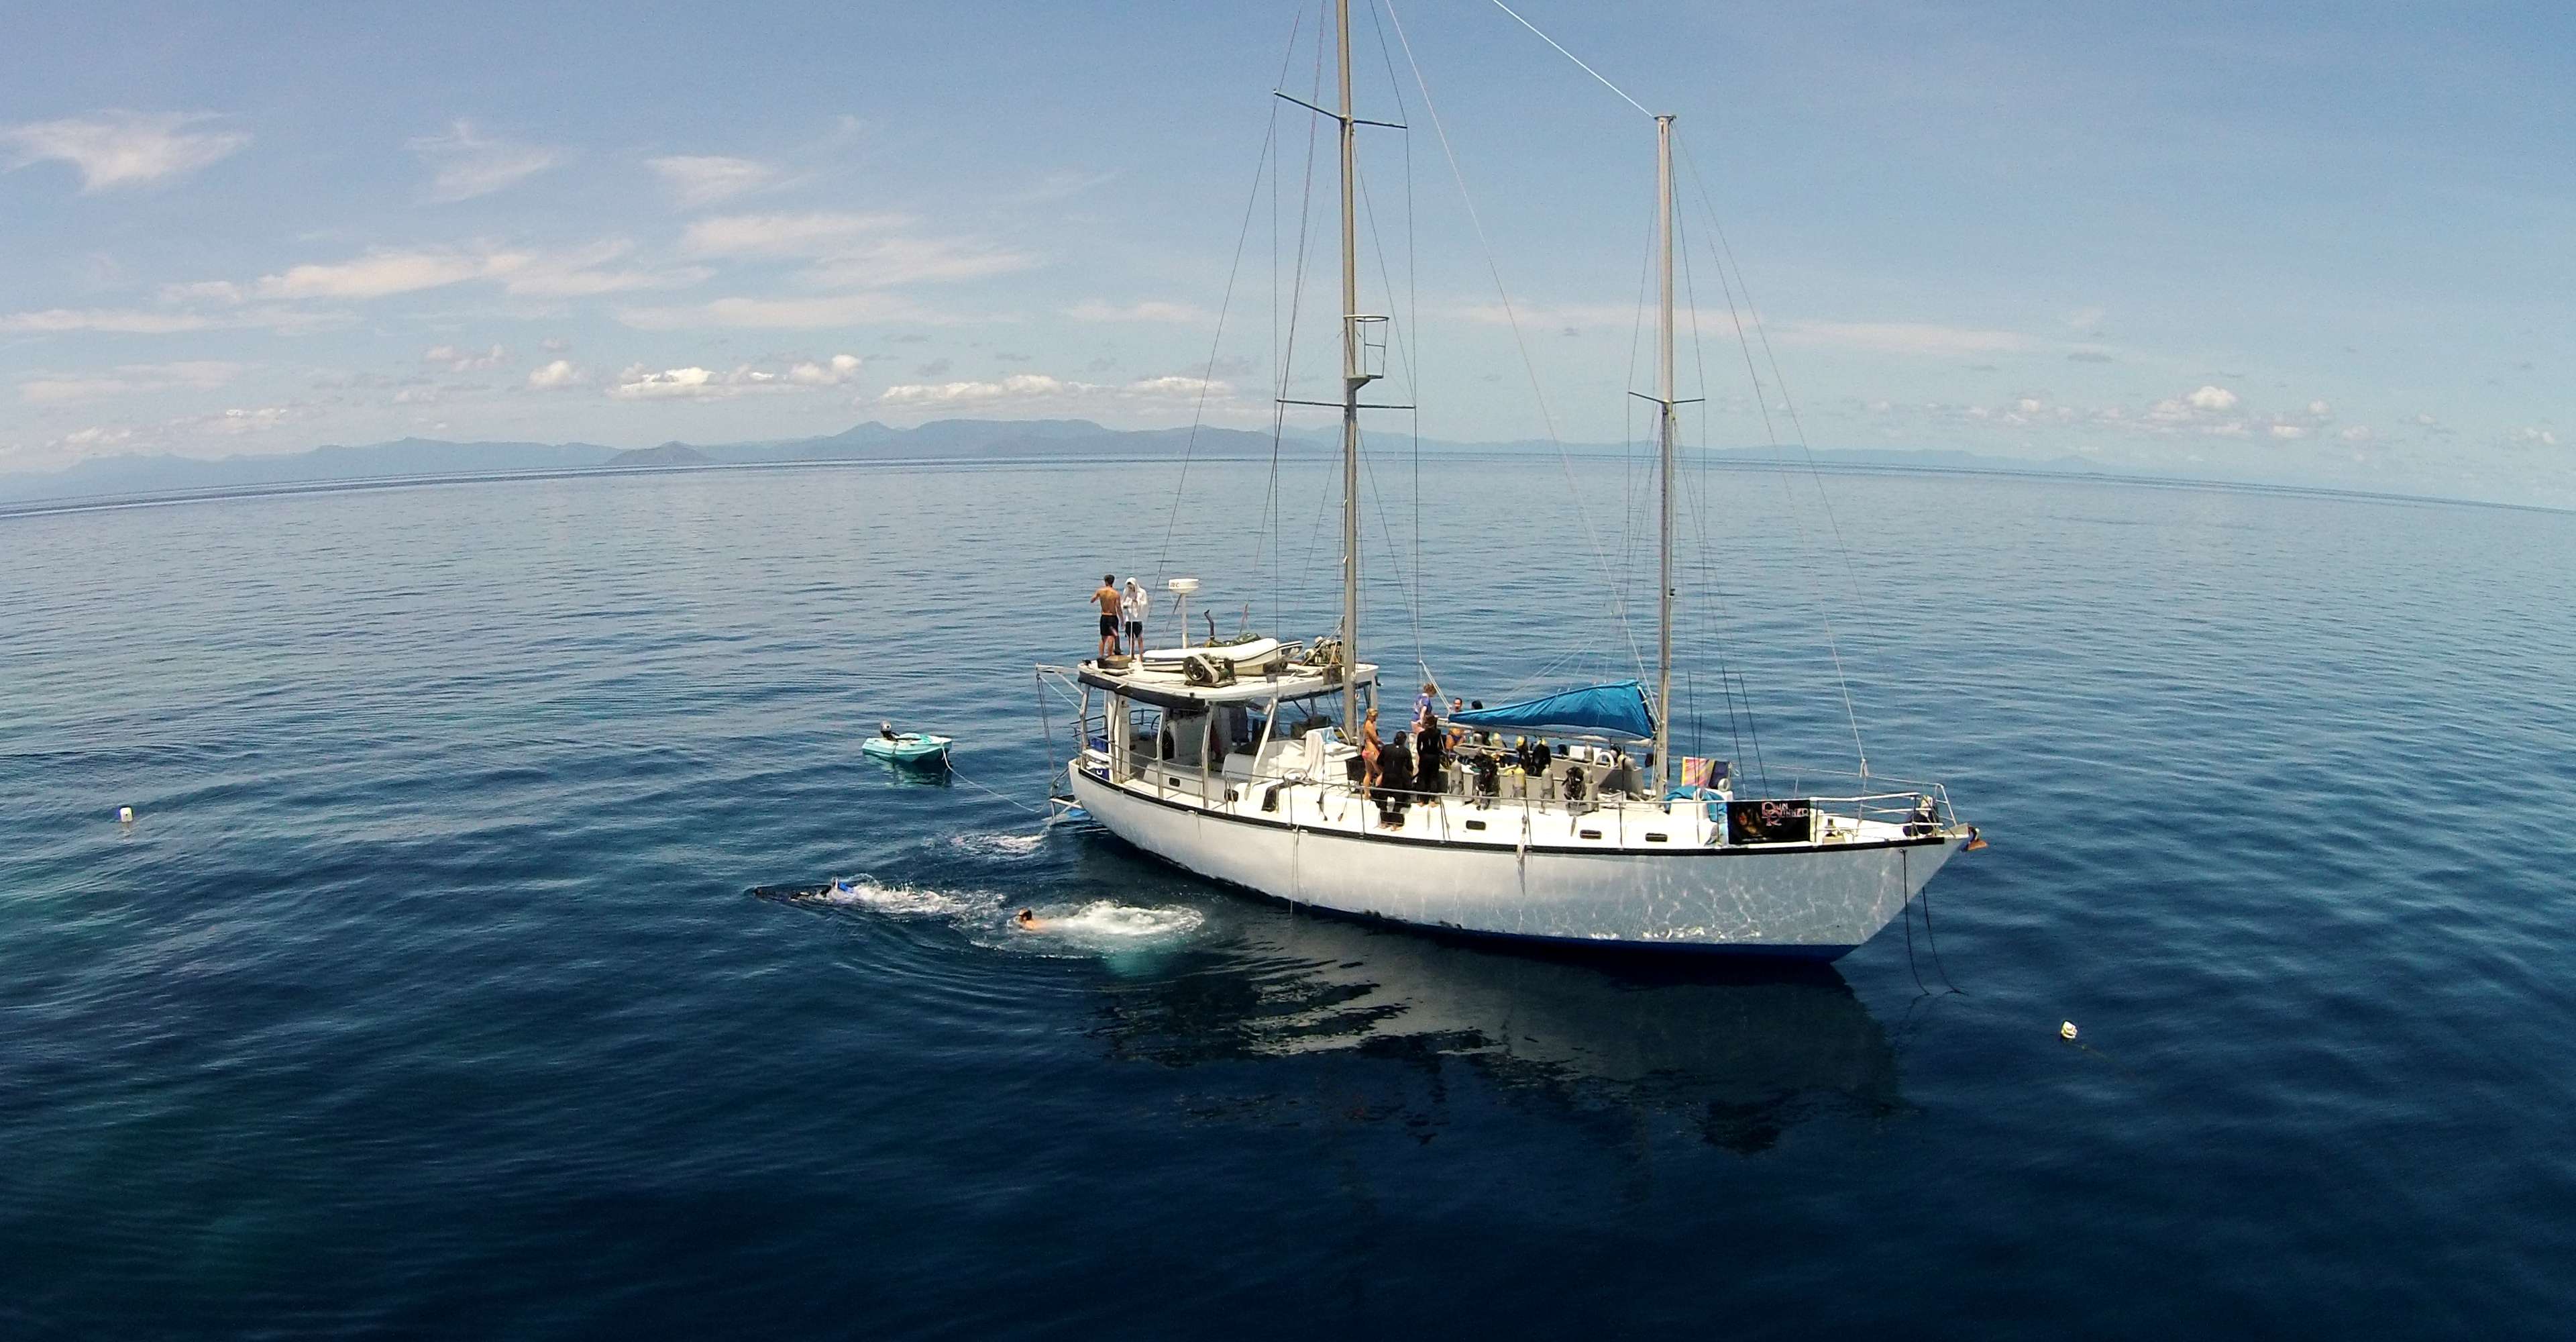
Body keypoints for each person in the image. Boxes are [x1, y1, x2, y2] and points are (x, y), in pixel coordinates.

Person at [1378, 729, 1414, 828]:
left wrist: (1385, 769)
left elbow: (1379, 762)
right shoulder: (1406, 752)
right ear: (1404, 741)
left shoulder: (1386, 748)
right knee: (1399, 799)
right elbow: (1410, 768)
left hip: (1387, 776)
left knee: (1383, 798)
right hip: (1398, 778)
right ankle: (1396, 823)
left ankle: (1384, 821)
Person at [1414, 711, 1447, 798]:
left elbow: (1418, 747)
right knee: (1434, 777)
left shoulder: (1422, 734)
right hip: (1434, 756)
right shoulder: (1438, 732)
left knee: (1423, 777)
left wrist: (1422, 755)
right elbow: (1440, 746)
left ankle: (1422, 799)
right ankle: (1432, 799)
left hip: (1425, 755)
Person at [1091, 574, 1123, 660]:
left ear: (1105, 582)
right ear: (1113, 582)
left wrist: (1100, 598)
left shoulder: (1100, 591)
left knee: (1103, 637)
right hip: (1112, 617)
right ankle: (1109, 655)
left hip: (1104, 616)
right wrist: (1122, 620)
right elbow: (1118, 608)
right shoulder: (1116, 594)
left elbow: (1092, 600)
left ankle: (1101, 655)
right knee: (1111, 637)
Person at [1121, 578, 1150, 656]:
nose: (1131, 589)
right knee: (1130, 638)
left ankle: (1141, 654)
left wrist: (1137, 602)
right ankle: (1132, 654)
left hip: (1138, 618)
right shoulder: (1126, 592)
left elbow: (1145, 604)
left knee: (1139, 637)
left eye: (1132, 587)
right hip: (1129, 618)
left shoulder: (1142, 592)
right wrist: (1126, 605)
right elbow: (1122, 603)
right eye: (1129, 587)